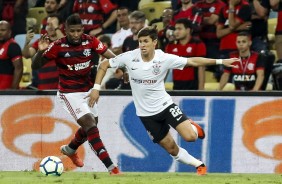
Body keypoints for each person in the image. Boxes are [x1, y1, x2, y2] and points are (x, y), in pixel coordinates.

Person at [88, 26, 239, 175]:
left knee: (191, 137)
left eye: (146, 41)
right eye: (140, 41)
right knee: (172, 149)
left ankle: (192, 126)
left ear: (154, 42)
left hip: (165, 106)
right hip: (146, 115)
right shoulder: (129, 57)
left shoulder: (164, 58)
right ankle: (199, 165)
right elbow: (104, 64)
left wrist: (220, 62)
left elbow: (192, 61)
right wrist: (96, 88)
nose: (142, 45)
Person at [32, 14, 121, 175]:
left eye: (78, 31)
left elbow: (110, 56)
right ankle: (112, 168)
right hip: (69, 93)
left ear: (82, 29)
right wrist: (40, 52)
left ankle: (70, 149)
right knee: (91, 126)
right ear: (65, 30)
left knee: (92, 124)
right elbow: (35, 66)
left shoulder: (91, 41)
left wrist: (122, 66)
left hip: (87, 91)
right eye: (72, 31)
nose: (75, 34)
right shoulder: (58, 46)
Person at [23, 13, 64, 90]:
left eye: (53, 24)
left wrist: (56, 28)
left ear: (60, 26)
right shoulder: (42, 41)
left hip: (61, 89)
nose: (50, 27)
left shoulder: (65, 40)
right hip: (43, 87)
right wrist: (27, 42)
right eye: (48, 24)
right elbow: (27, 55)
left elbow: (67, 47)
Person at [165, 18, 206, 90]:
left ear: (188, 30)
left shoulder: (198, 44)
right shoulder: (171, 45)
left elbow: (201, 68)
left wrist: (201, 90)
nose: (176, 32)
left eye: (179, 29)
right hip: (177, 86)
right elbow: (165, 68)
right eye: (175, 29)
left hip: (193, 86)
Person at [0, 20, 23, 89]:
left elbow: (18, 68)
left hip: (6, 88)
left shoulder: (13, 46)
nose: (0, 32)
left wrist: (13, 90)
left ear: (9, 32)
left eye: (3, 30)